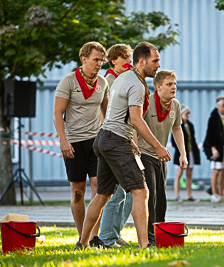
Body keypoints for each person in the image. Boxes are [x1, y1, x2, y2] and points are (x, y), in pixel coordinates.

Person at [75, 41, 171, 250]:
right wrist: (158, 146)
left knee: (103, 195)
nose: (158, 65)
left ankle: (82, 243)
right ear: (142, 61)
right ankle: (144, 245)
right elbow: (136, 119)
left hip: (105, 139)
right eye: (155, 61)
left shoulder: (123, 78)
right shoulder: (136, 84)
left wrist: (129, 140)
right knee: (141, 191)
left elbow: (119, 115)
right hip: (115, 140)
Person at [53, 41, 109, 247]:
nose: (99, 64)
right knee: (78, 192)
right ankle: (82, 237)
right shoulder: (67, 82)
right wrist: (63, 140)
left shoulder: (103, 83)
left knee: (99, 188)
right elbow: (57, 114)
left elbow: (107, 113)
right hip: (74, 143)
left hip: (96, 142)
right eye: (95, 60)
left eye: (101, 61)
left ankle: (93, 237)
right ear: (83, 59)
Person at [135, 69, 187, 246]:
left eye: (175, 84)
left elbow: (177, 129)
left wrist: (183, 154)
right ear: (157, 87)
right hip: (145, 153)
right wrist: (134, 148)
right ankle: (148, 237)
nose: (174, 87)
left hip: (162, 157)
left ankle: (160, 232)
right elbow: (134, 124)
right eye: (169, 84)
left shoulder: (175, 105)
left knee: (161, 200)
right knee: (151, 197)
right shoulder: (146, 102)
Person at [98, 43, 133, 248]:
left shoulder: (122, 79)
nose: (129, 61)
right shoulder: (109, 80)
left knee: (127, 192)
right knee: (116, 192)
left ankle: (113, 232)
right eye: (125, 57)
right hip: (112, 139)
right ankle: (107, 237)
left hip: (122, 138)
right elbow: (106, 113)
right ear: (114, 60)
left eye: (129, 57)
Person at [203, 95, 224, 202]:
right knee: (216, 170)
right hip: (217, 147)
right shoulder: (214, 117)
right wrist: (213, 148)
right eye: (223, 105)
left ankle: (221, 193)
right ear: (218, 105)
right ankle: (214, 193)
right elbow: (210, 134)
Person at [172, 104, 200, 202]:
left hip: (190, 153)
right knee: (179, 175)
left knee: (189, 175)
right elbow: (174, 141)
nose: (188, 116)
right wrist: (181, 152)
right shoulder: (177, 125)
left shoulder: (190, 125)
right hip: (180, 154)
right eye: (186, 113)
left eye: (189, 114)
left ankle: (189, 195)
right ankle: (177, 195)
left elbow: (193, 140)